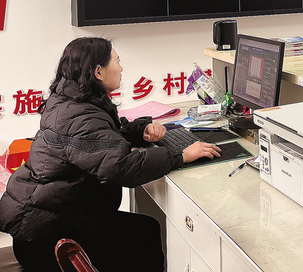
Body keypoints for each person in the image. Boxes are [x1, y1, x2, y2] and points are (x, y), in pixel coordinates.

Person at [0, 37, 222, 272]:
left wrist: (140, 131)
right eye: (117, 61)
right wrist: (180, 155)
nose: (121, 67)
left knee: (143, 229)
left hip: (46, 222)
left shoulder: (71, 100)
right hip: (48, 241)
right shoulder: (80, 115)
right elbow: (121, 166)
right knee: (144, 234)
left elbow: (102, 136)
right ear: (98, 72)